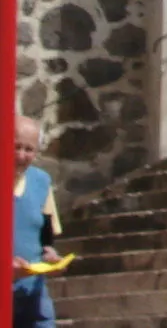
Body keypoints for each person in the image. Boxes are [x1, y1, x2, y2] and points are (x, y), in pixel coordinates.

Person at [12, 116, 61, 328]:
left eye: (29, 149)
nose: (21, 155)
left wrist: (51, 256)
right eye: (15, 147)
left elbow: (46, 238)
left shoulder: (42, 182)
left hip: (32, 294)